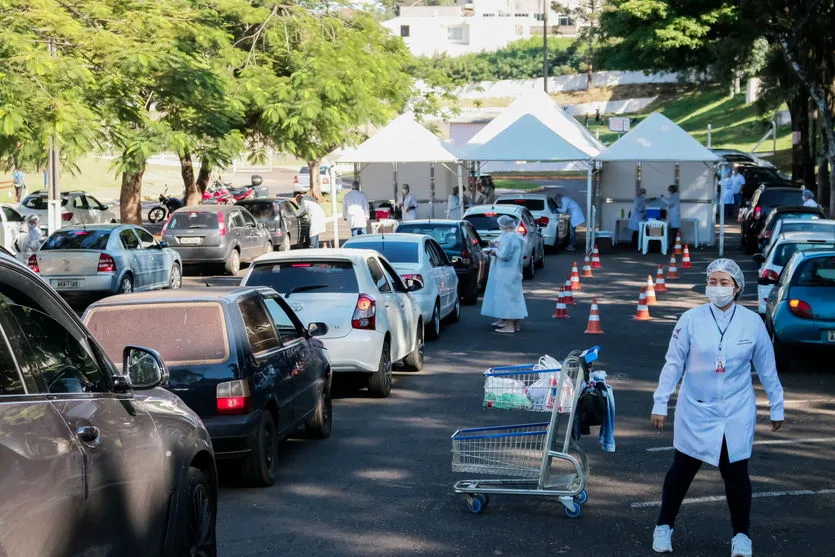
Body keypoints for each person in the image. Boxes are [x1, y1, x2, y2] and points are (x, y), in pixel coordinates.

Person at [650, 258, 784, 557]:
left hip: (736, 410)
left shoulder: (752, 322)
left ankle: (741, 536)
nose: (717, 288)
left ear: (737, 288)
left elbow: (767, 368)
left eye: (724, 283)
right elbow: (673, 363)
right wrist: (661, 401)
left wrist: (777, 406)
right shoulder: (690, 319)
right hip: (696, 408)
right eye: (713, 282)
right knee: (681, 471)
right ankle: (664, 526)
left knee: (736, 474)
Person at [480, 215, 527, 334]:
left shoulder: (509, 237)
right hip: (514, 272)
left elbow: (504, 255)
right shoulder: (517, 236)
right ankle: (515, 324)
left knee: (508, 299)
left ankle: (510, 325)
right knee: (514, 298)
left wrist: (493, 251)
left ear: (503, 226)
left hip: (506, 272)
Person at [660, 185, 681, 251]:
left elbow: (669, 203)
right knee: (673, 231)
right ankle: (673, 244)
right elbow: (669, 202)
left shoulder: (675, 196)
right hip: (673, 216)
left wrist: (663, 198)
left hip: (674, 216)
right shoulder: (674, 196)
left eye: (669, 190)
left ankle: (674, 245)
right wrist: (665, 198)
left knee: (674, 231)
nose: (668, 191)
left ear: (672, 190)